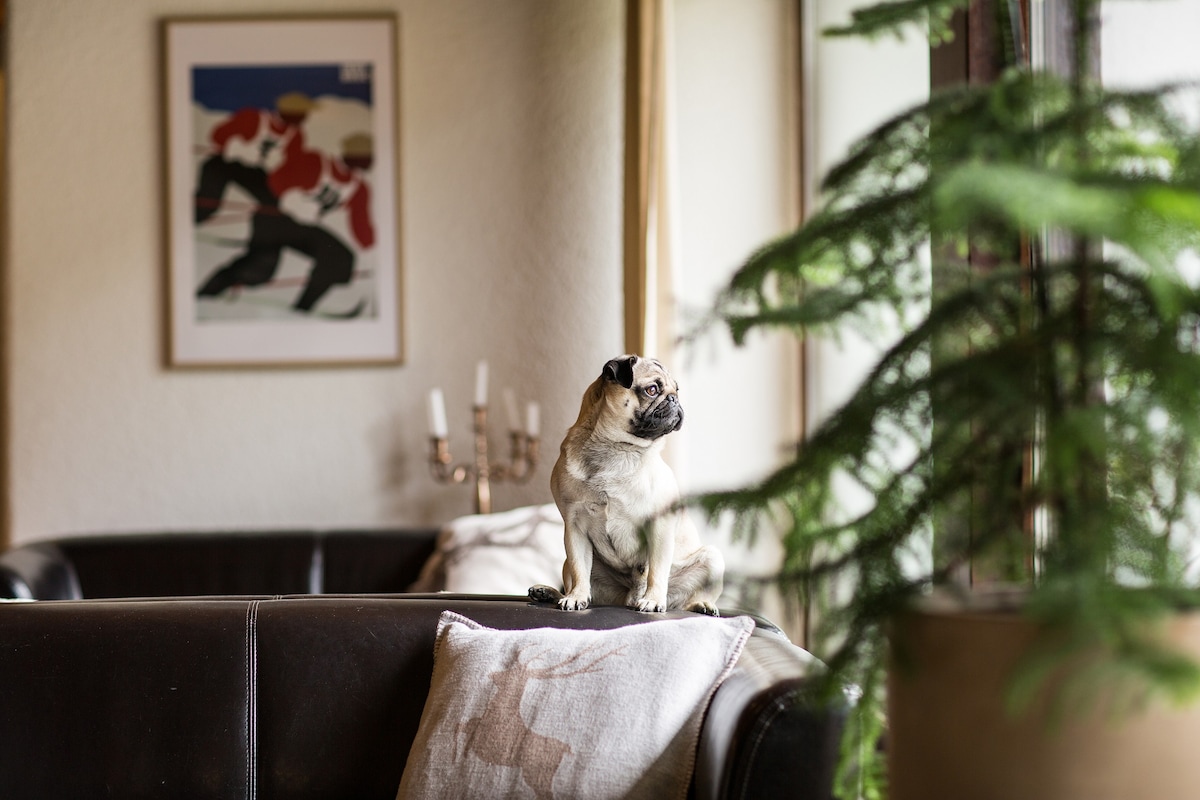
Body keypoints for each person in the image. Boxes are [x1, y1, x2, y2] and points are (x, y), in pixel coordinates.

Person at [195, 132, 376, 314]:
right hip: (276, 217)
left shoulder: (359, 188)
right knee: (259, 269)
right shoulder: (317, 161)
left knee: (339, 258)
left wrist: (378, 246)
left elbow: (361, 226)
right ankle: (206, 294)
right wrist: (294, 199)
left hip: (301, 227)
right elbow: (277, 179)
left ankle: (303, 309)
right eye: (366, 156)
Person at [193, 91, 315, 224]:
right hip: (224, 164)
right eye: (302, 113)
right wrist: (237, 146)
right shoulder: (255, 117)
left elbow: (290, 166)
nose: (305, 117)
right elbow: (217, 135)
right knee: (208, 205)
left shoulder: (295, 135)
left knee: (276, 206)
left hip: (253, 172)